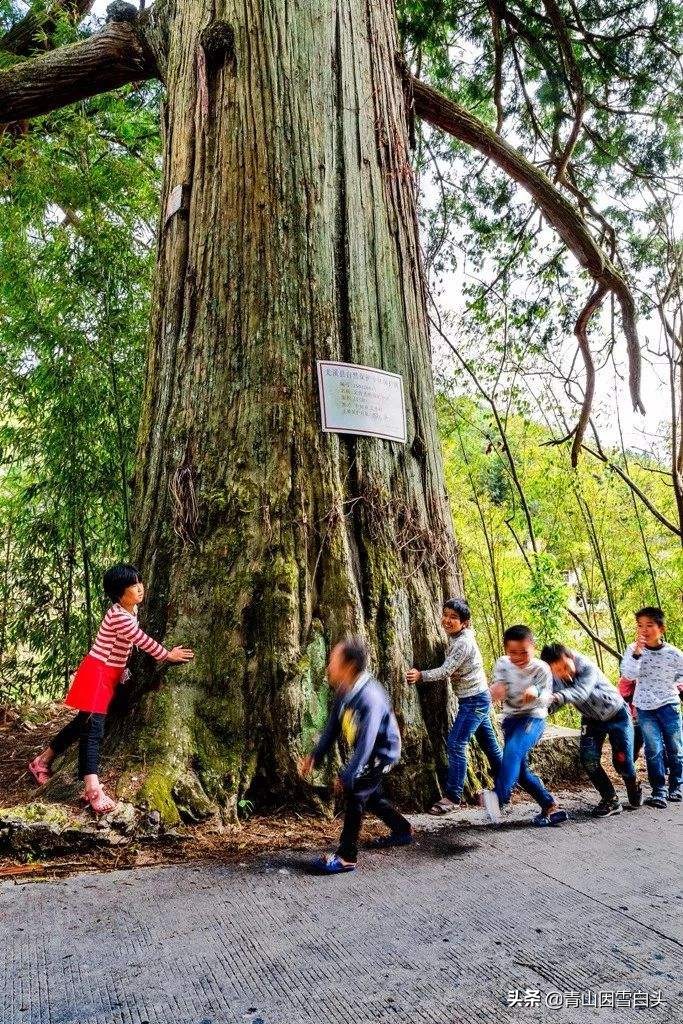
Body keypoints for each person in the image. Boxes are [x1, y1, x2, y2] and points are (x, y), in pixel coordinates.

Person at [28, 563, 194, 814]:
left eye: (139, 582)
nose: (140, 588)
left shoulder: (130, 609)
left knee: (81, 723)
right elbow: (142, 641)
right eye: (132, 585)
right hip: (97, 675)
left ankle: (42, 761)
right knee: (93, 730)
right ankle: (92, 789)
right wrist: (168, 655)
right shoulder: (119, 616)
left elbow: (122, 646)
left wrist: (122, 669)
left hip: (109, 673)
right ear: (119, 593)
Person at [300, 637, 411, 874]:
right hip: (367, 751)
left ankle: (346, 856)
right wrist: (316, 756)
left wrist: (349, 774)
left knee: (357, 793)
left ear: (349, 666)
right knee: (371, 796)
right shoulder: (344, 691)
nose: (329, 666)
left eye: (333, 661)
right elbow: (333, 727)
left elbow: (367, 742)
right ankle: (402, 829)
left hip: (381, 751)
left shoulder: (369, 697)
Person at [406, 598, 502, 814]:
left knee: (457, 744)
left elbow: (445, 671)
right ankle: (507, 783)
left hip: (474, 700)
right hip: (476, 697)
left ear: (465, 623)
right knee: (490, 746)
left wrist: (421, 675)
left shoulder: (462, 643)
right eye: (446, 615)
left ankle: (452, 797)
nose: (447, 620)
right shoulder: (459, 636)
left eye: (454, 618)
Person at [480, 625, 567, 827]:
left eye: (524, 653)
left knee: (512, 751)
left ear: (533, 648)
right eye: (513, 653)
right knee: (520, 770)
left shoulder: (541, 668)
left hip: (534, 718)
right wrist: (495, 691)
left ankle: (498, 797)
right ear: (505, 649)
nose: (518, 657)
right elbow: (498, 686)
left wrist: (535, 691)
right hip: (511, 720)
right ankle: (549, 805)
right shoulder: (502, 664)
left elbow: (547, 695)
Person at [541, 645, 641, 816]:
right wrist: (538, 708)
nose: (564, 673)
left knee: (622, 762)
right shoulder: (555, 677)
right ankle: (610, 799)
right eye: (557, 671)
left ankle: (633, 783)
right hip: (591, 719)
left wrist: (556, 697)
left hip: (617, 714)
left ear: (570, 656)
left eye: (565, 667)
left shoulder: (587, 666)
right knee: (588, 759)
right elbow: (552, 700)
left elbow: (581, 692)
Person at [620, 606, 683, 808]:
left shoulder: (674, 653)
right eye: (640, 626)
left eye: (649, 625)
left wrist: (675, 685)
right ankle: (659, 791)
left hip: (669, 704)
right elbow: (628, 675)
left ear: (661, 628)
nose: (644, 630)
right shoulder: (632, 650)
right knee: (653, 749)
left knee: (675, 748)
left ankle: (677, 786)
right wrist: (637, 654)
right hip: (645, 707)